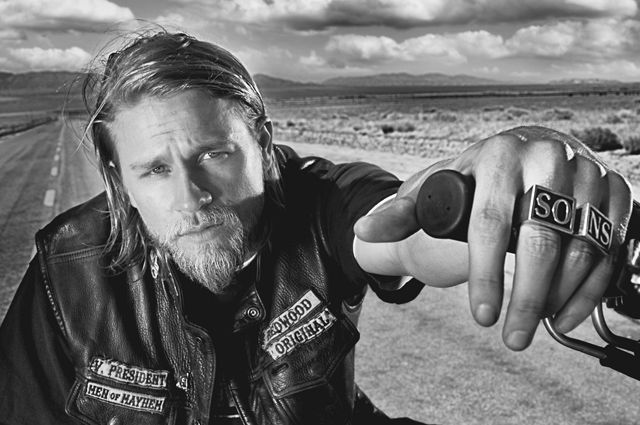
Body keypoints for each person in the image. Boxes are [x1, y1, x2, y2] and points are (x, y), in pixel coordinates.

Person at [0, 30, 633, 425]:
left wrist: (509, 185)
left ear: (263, 144)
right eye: (155, 170)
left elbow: (403, 231)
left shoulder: (322, 200)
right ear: (121, 183)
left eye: (214, 155)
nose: (192, 198)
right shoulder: (66, 272)